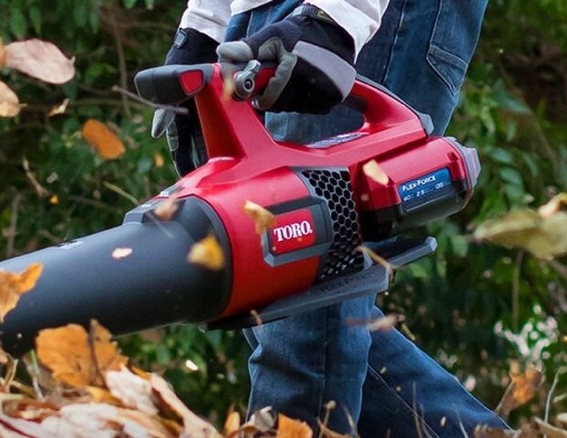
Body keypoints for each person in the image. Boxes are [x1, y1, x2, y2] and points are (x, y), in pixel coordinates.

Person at [152, 1, 510, 436]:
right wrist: (203, 29)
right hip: (259, 19)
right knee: (277, 299)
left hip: (373, 20)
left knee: (304, 301)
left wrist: (340, 17)